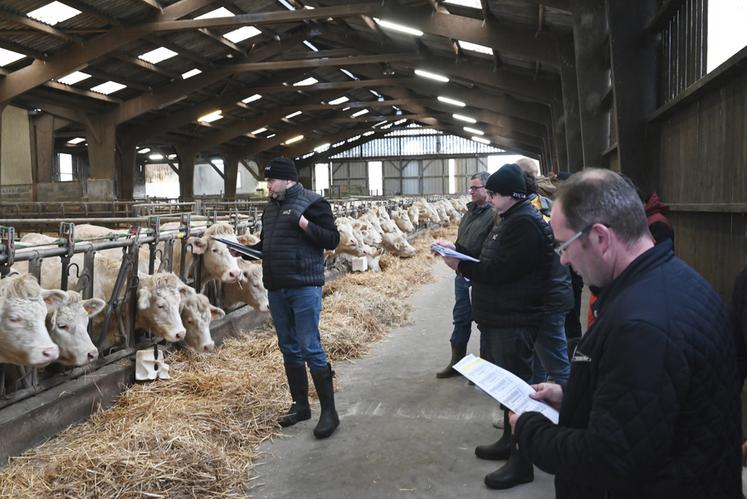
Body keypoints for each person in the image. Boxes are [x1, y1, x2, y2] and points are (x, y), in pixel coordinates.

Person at [510, 168, 741, 498]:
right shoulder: (677, 279)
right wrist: (572, 398)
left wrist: (531, 430)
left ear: (601, 238)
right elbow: (649, 407)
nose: (563, 261)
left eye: (564, 246)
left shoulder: (640, 326)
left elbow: (611, 459)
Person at [439, 163, 555, 490]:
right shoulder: (508, 219)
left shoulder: (525, 225)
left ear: (509, 195)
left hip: (514, 317)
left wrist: (462, 266)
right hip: (500, 316)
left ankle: (522, 462)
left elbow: (499, 272)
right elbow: (488, 257)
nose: (488, 200)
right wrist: (459, 252)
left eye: (493, 194)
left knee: (519, 389)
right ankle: (509, 439)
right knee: (507, 386)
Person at [238, 157, 341, 439]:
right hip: (277, 286)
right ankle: (300, 406)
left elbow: (332, 239)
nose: (268, 185)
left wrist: (305, 223)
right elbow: (266, 245)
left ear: (287, 179)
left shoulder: (313, 202)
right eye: (267, 181)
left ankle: (330, 413)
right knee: (288, 346)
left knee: (310, 346)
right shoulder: (271, 209)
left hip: (304, 285)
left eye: (271, 180)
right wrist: (243, 250)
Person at [434, 171, 495, 378]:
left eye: (475, 188)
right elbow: (463, 242)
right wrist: (450, 247)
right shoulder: (469, 212)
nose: (471, 191)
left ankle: (485, 368)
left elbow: (489, 247)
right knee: (460, 317)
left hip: (480, 275)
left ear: (487, 189)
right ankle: (457, 362)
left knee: (484, 321)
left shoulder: (494, 215)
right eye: (470, 188)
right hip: (462, 274)